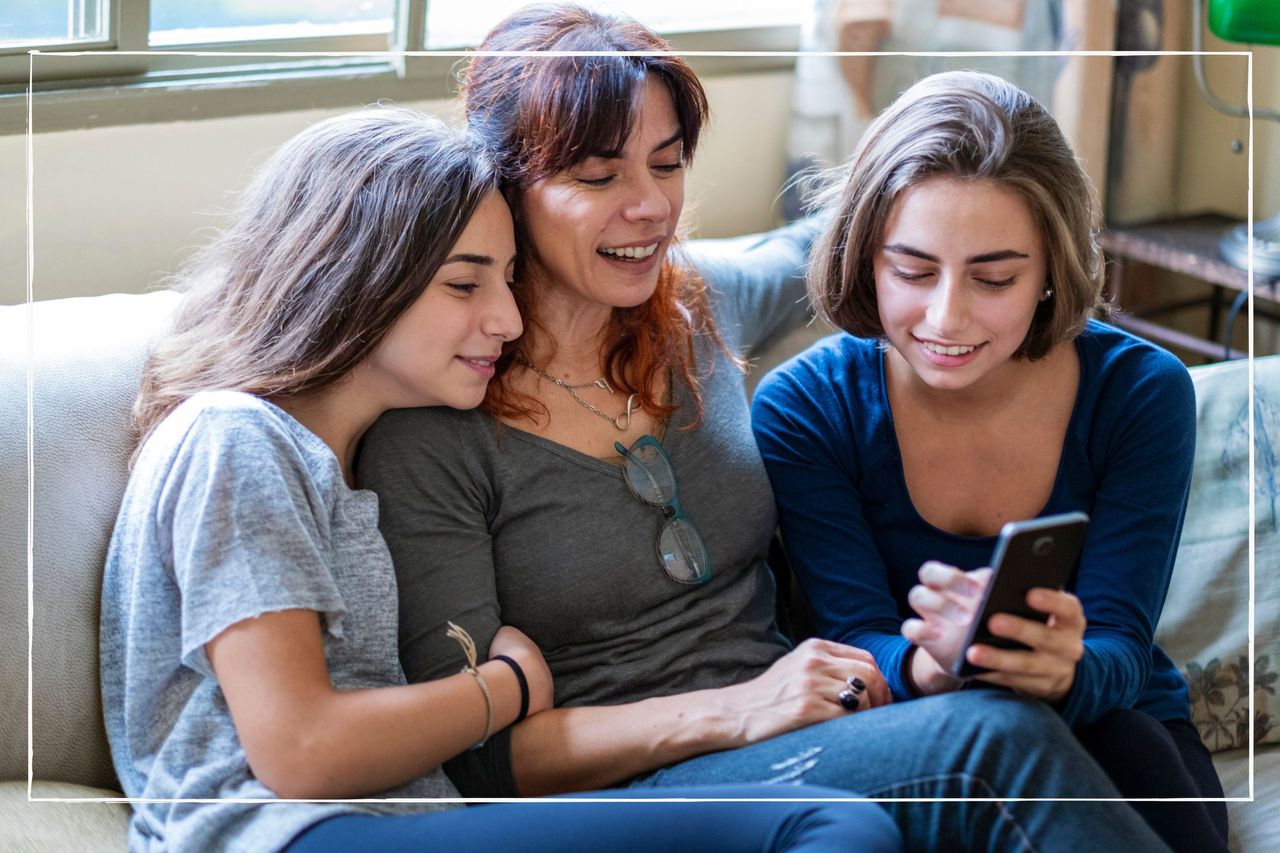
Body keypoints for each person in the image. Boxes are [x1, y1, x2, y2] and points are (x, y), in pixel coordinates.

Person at [358, 6, 1172, 851]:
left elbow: (855, 231)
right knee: (991, 739)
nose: (648, 207)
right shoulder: (432, 423)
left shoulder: (697, 303)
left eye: (667, 163)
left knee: (1109, 750)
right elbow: (480, 761)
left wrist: (974, 172)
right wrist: (737, 709)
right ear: (504, 188)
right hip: (630, 790)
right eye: (598, 178)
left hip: (810, 740)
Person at [99, 107, 905, 853]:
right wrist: (507, 687)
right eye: (465, 283)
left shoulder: (342, 463)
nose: (508, 320)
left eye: (508, 280)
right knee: (823, 822)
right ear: (350, 279)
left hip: (406, 822)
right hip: (287, 832)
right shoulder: (234, 437)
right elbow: (300, 749)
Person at [752, 70, 1227, 853]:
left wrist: (1062, 669)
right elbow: (856, 637)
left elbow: (1120, 645)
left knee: (1130, 749)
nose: (946, 317)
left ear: (1050, 271)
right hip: (918, 726)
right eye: (911, 270)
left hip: (1113, 717)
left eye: (995, 277)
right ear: (866, 258)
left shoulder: (1140, 392)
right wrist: (937, 669)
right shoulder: (807, 408)